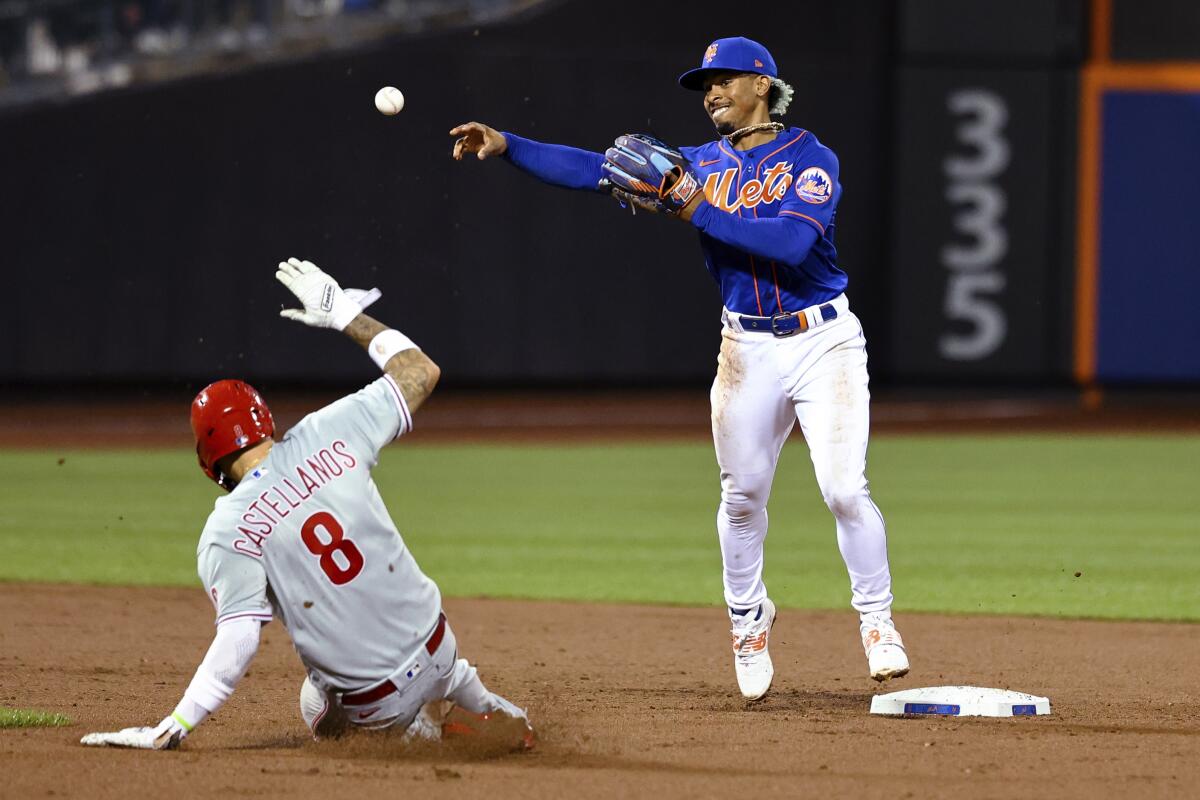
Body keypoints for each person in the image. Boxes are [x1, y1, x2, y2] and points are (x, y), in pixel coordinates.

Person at [449, 36, 908, 700]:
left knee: (842, 488)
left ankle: (877, 623)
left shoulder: (811, 159)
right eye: (704, 86)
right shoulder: (695, 163)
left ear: (761, 85)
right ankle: (748, 622)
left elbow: (789, 242)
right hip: (745, 350)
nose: (711, 93)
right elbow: (590, 169)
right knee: (742, 496)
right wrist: (510, 146)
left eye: (723, 80)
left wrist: (695, 205)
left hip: (823, 342)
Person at [81, 258, 532, 749]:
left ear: (207, 456)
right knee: (431, 658)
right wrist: (343, 315)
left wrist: (176, 726)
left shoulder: (228, 527)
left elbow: (239, 641)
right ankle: (480, 702)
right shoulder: (328, 430)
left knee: (314, 702)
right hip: (441, 646)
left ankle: (420, 734)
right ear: (265, 422)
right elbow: (419, 371)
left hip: (377, 700)